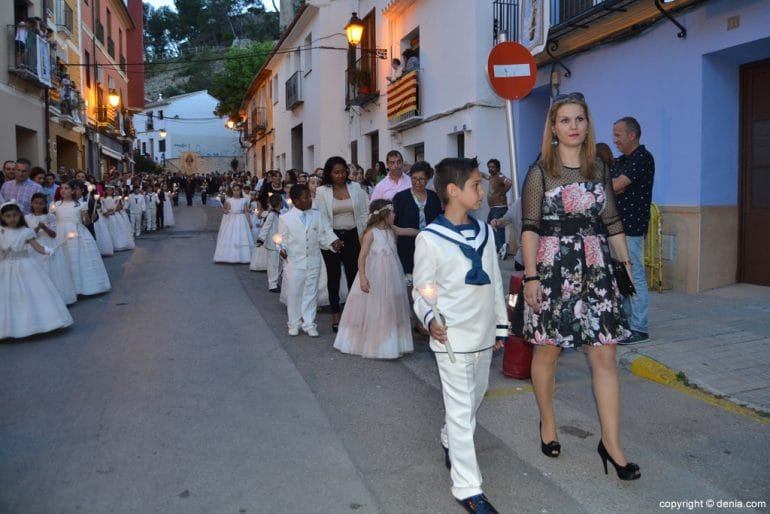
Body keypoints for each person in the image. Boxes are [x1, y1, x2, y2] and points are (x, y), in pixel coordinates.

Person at [521, 92, 639, 480]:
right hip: (553, 267)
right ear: (553, 128)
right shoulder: (540, 172)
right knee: (548, 352)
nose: (573, 127)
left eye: (579, 120)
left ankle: (612, 444)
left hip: (596, 267)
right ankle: (548, 423)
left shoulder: (599, 168)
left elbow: (612, 220)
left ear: (588, 126)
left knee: (605, 356)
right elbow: (530, 228)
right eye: (565, 120)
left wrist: (624, 264)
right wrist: (532, 277)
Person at [411, 157, 507, 513]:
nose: (482, 191)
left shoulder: (484, 231)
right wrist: (428, 318)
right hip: (450, 338)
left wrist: (500, 327)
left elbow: (495, 283)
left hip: (483, 335)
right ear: (453, 191)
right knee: (461, 407)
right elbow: (422, 289)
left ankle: (451, 438)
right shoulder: (430, 239)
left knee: (474, 399)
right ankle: (468, 488)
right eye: (476, 186)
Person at [333, 199, 415, 359]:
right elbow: (362, 257)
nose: (394, 215)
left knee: (390, 306)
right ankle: (374, 343)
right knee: (375, 306)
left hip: (392, 275)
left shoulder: (392, 230)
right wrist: (363, 278)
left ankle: (391, 342)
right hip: (374, 275)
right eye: (392, 212)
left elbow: (409, 231)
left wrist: (427, 232)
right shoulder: (371, 233)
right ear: (384, 214)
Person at [0, 201, 74, 339]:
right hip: (4, 268)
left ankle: (35, 324)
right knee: (8, 297)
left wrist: (48, 250)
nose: (12, 219)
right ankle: (8, 328)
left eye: (15, 215)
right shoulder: (1, 232)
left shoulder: (26, 231)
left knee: (29, 294)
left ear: (20, 216)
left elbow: (37, 247)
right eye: (8, 216)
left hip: (25, 266)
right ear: (2, 217)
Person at [611, 116, 654, 345]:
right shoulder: (620, 161)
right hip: (617, 228)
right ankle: (627, 323)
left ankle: (639, 327)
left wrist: (615, 186)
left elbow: (615, 186)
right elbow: (612, 185)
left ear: (632, 135)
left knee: (634, 275)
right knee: (622, 277)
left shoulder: (642, 158)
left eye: (618, 134)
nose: (614, 139)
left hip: (632, 228)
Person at [314, 156, 369, 332]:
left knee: (355, 275)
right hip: (331, 238)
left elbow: (362, 214)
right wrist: (333, 240)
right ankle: (336, 314)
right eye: (336, 172)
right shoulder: (322, 191)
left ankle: (354, 312)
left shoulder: (356, 188)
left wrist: (364, 237)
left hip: (353, 236)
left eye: (343, 171)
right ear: (329, 174)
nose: (340, 175)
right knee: (334, 277)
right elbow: (321, 218)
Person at [278, 184, 335, 337]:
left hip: (313, 260)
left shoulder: (316, 215)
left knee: (311, 292)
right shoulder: (285, 218)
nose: (310, 200)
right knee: (295, 292)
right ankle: (294, 323)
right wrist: (281, 249)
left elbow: (323, 235)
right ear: (295, 201)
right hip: (295, 262)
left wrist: (333, 243)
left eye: (310, 196)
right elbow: (281, 239)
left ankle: (309, 323)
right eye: (306, 198)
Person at [51, 181, 111, 296]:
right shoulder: (56, 205)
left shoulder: (80, 205)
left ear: (73, 191)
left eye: (66, 188)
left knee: (75, 258)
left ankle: (78, 288)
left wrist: (89, 217)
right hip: (60, 234)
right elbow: (52, 220)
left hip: (76, 233)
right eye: (61, 188)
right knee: (63, 259)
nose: (63, 190)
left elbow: (86, 221)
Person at [392, 161, 442, 283]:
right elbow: (393, 224)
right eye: (414, 178)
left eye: (422, 179)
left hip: (429, 248)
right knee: (409, 282)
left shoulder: (434, 197)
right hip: (406, 248)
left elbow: (438, 222)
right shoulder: (400, 198)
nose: (417, 182)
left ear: (428, 179)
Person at [25, 193, 77, 305]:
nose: (38, 206)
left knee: (52, 269)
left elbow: (54, 234)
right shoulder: (27, 218)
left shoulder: (50, 217)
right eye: (36, 203)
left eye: (41, 204)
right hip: (34, 246)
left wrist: (45, 227)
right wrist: (37, 228)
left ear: (45, 205)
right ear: (31, 203)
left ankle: (58, 297)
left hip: (49, 244)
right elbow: (28, 236)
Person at [213, 183, 254, 263]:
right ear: (232, 191)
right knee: (231, 235)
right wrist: (226, 211)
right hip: (231, 219)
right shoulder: (229, 200)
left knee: (242, 236)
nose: (236, 192)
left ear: (240, 191)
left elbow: (246, 212)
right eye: (234, 190)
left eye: (237, 190)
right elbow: (224, 210)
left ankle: (243, 256)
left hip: (241, 219)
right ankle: (228, 256)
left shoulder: (243, 200)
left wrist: (249, 222)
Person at [484, 158, 512, 259]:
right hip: (493, 208)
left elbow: (509, 182)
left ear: (498, 168)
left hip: (499, 208)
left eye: (493, 167)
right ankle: (499, 248)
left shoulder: (500, 175)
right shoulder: (492, 177)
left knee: (497, 227)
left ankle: (501, 247)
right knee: (490, 227)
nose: (490, 169)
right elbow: (486, 176)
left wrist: (502, 192)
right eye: (489, 167)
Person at [254, 193, 283, 289]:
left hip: (280, 243)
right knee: (273, 264)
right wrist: (261, 239)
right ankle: (272, 284)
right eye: (281, 202)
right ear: (279, 203)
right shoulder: (271, 215)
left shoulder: (280, 213)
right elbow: (265, 228)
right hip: (272, 244)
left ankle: (276, 280)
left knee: (280, 264)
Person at [100, 185, 135, 251]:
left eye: (110, 190)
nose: (109, 191)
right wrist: (105, 212)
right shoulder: (102, 198)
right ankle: (109, 245)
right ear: (105, 191)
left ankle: (118, 244)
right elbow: (102, 206)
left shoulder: (116, 198)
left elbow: (119, 207)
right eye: (107, 190)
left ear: (113, 191)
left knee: (116, 229)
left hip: (114, 215)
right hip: (106, 215)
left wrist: (113, 210)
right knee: (107, 230)